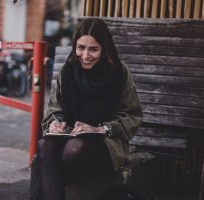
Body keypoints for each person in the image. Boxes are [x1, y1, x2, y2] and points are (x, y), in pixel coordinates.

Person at [37, 18, 142, 200]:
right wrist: (56, 124)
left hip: (106, 141)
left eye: (93, 49)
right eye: (81, 47)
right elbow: (55, 110)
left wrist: (100, 129)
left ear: (104, 49)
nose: (85, 55)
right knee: (44, 145)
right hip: (69, 134)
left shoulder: (118, 73)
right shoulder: (68, 71)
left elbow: (132, 116)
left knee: (74, 149)